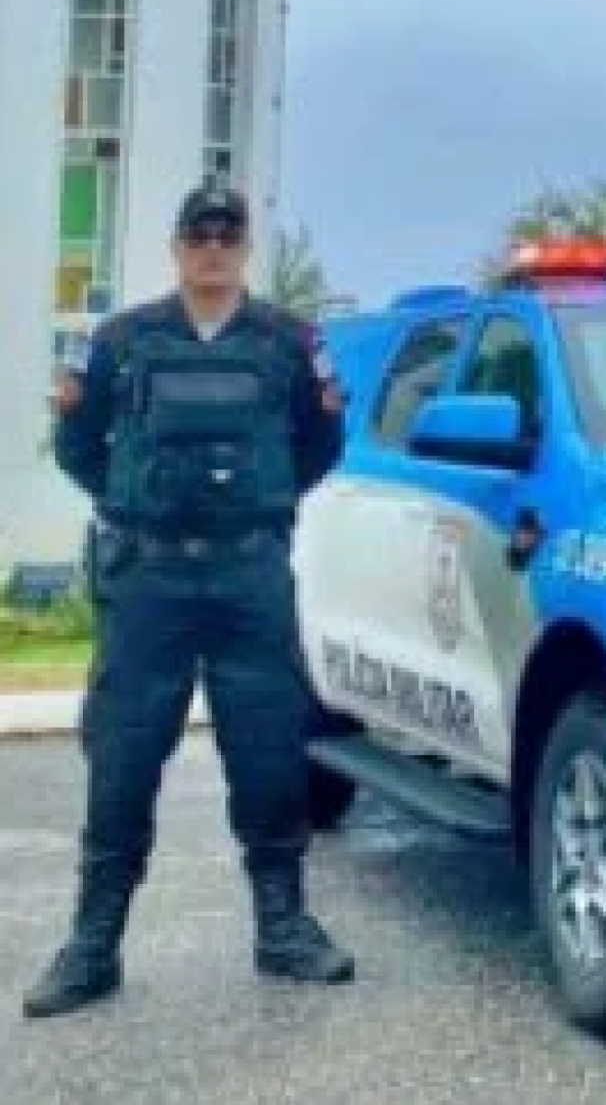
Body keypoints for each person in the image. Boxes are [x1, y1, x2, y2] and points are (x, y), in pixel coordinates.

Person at [23, 181, 354, 1020]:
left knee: (270, 748)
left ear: (244, 248)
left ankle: (283, 927)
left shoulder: (289, 343)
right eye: (198, 235)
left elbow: (318, 445)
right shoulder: (125, 340)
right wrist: (139, 505)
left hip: (248, 577)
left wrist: (253, 511)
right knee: (124, 755)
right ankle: (93, 944)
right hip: (150, 579)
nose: (212, 248)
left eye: (227, 235)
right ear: (176, 247)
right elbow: (76, 440)